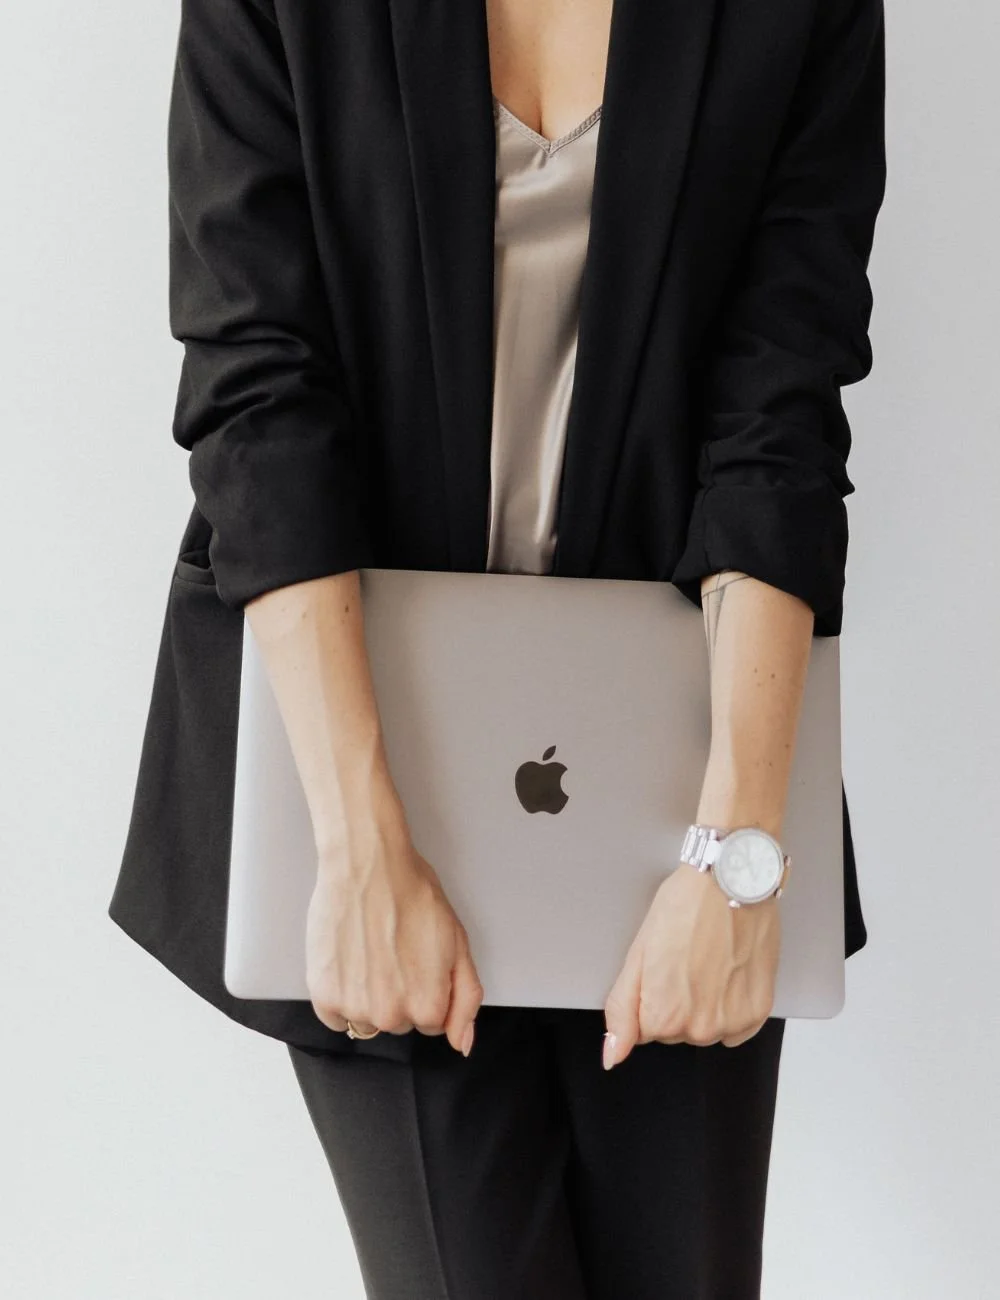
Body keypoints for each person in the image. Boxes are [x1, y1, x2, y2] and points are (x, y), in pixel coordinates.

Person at [108, 0, 886, 1295]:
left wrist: (737, 859)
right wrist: (360, 849)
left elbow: (781, 421)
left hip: (678, 773)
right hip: (361, 766)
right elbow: (258, 396)